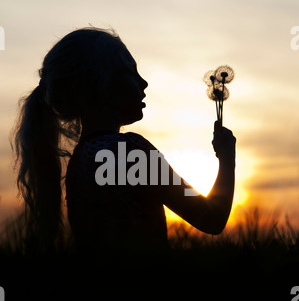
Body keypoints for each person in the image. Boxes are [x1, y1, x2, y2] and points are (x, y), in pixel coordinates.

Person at [13, 27, 236, 257]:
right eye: (130, 72)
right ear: (100, 84)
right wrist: (227, 156)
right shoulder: (131, 154)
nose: (143, 82)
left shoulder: (81, 160)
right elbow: (212, 218)